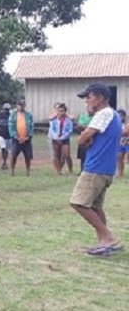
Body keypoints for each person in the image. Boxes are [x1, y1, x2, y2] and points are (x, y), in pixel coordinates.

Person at [70, 83, 123, 256]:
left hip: (95, 167)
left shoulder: (103, 114)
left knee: (78, 202)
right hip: (106, 168)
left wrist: (84, 138)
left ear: (100, 98)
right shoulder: (114, 115)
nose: (86, 100)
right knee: (95, 206)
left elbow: (83, 138)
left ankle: (108, 237)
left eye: (89, 96)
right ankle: (104, 242)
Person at [8, 100, 34, 176]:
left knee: (28, 156)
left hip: (27, 139)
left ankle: (28, 171)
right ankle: (12, 170)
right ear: (16, 105)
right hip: (16, 139)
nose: (20, 106)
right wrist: (16, 137)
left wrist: (28, 137)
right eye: (19, 105)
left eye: (22, 105)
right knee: (13, 156)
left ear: (24, 105)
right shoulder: (12, 115)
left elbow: (32, 127)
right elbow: (10, 127)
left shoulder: (29, 115)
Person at [50, 103, 74, 175]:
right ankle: (59, 170)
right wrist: (56, 137)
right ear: (57, 111)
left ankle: (70, 170)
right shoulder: (53, 120)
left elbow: (70, 130)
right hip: (55, 139)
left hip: (65, 139)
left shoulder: (68, 120)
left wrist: (62, 137)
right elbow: (51, 130)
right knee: (57, 155)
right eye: (59, 111)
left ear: (65, 111)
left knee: (66, 155)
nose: (61, 112)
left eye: (62, 111)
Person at [0, 104, 12, 170]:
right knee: (3, 148)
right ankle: (4, 162)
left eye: (7, 109)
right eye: (5, 109)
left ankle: (5, 161)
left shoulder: (11, 116)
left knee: (7, 149)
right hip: (1, 134)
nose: (6, 110)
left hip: (9, 134)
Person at [117, 110, 129, 178]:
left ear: (124, 116)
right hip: (120, 143)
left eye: (120, 116)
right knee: (119, 158)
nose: (119, 117)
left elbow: (126, 132)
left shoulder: (128, 122)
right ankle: (120, 174)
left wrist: (116, 133)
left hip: (128, 142)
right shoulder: (117, 123)